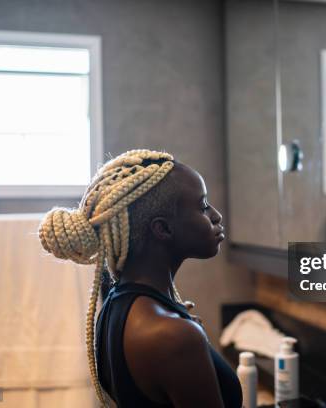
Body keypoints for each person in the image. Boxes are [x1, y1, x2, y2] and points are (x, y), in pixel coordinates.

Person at [38, 149, 242, 407]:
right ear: (163, 229)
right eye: (202, 206)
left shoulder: (116, 306)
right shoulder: (173, 336)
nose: (216, 216)